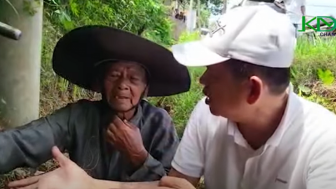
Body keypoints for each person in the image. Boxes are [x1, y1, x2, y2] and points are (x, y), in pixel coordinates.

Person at [10, 5, 336, 189]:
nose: (202, 81)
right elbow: (173, 188)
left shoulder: (325, 144)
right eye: (114, 76)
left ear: (252, 89)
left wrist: (138, 157)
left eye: (211, 71)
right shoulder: (207, 116)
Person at [3, 25, 191, 188]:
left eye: (133, 79)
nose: (123, 84)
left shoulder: (159, 122)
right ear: (100, 83)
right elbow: (24, 142)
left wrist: (138, 155)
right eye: (114, 75)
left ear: (145, 90)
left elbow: (173, 184)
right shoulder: (79, 116)